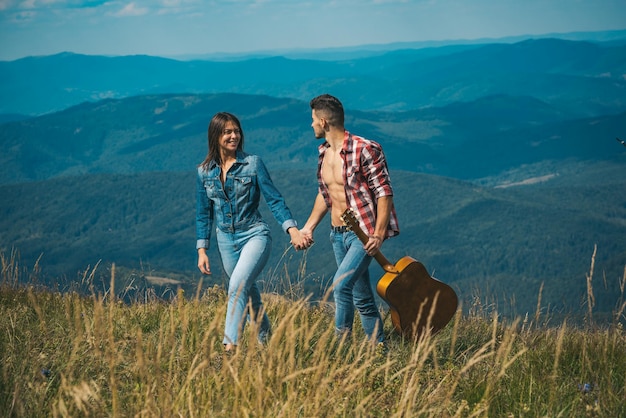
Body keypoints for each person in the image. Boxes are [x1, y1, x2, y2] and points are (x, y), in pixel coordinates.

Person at [196, 112, 306, 352]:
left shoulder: (253, 164)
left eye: (236, 131)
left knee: (236, 285)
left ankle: (229, 347)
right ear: (215, 136)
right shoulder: (204, 172)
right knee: (248, 294)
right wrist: (202, 250)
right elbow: (204, 212)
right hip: (225, 240)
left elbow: (274, 200)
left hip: (255, 234)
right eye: (227, 132)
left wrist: (292, 230)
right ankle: (268, 346)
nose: (234, 136)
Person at [298, 94, 400, 345]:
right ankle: (379, 351)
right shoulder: (323, 153)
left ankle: (340, 351)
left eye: (312, 120)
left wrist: (378, 234)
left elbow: (384, 192)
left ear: (323, 121)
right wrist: (308, 227)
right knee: (362, 298)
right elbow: (327, 194)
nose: (311, 125)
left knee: (341, 287)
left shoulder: (365, 148)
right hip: (337, 234)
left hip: (362, 234)